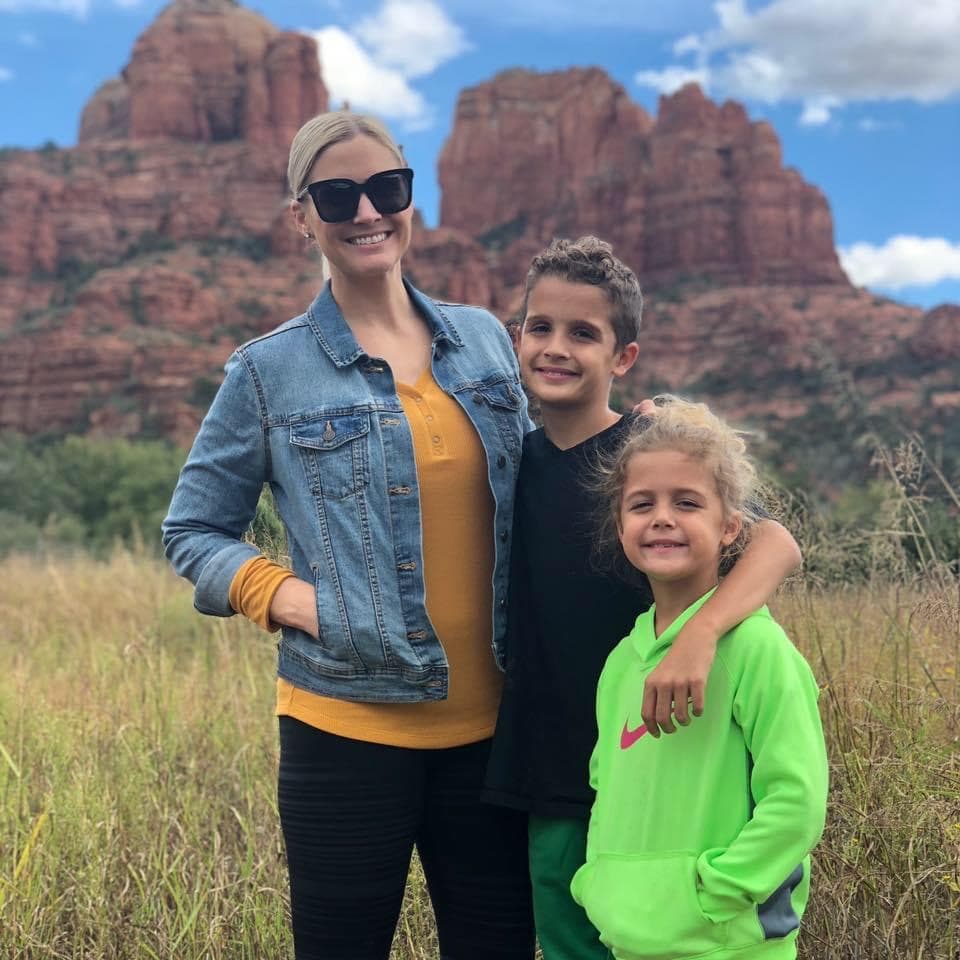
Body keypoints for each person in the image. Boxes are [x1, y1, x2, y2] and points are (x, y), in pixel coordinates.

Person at [161, 111, 535, 960]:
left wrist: (636, 433)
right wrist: (291, 599)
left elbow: (548, 475)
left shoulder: (481, 338)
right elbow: (193, 527)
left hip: (495, 733)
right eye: (337, 196)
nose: (367, 211)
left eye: (386, 188)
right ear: (303, 218)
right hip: (344, 732)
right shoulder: (267, 370)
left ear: (410, 196)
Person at [483, 237, 804, 960]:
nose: (557, 348)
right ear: (517, 339)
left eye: (583, 333)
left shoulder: (648, 456)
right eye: (541, 328)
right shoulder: (510, 463)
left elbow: (774, 542)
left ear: (623, 357)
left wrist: (702, 632)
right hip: (553, 768)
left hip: (669, 765)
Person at [570, 396, 829, 959]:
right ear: (620, 528)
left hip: (728, 943)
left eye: (687, 502)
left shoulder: (757, 649)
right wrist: (599, 885)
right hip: (629, 939)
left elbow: (797, 801)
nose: (662, 517)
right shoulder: (621, 661)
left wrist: (714, 896)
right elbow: (606, 791)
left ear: (731, 526)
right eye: (642, 504)